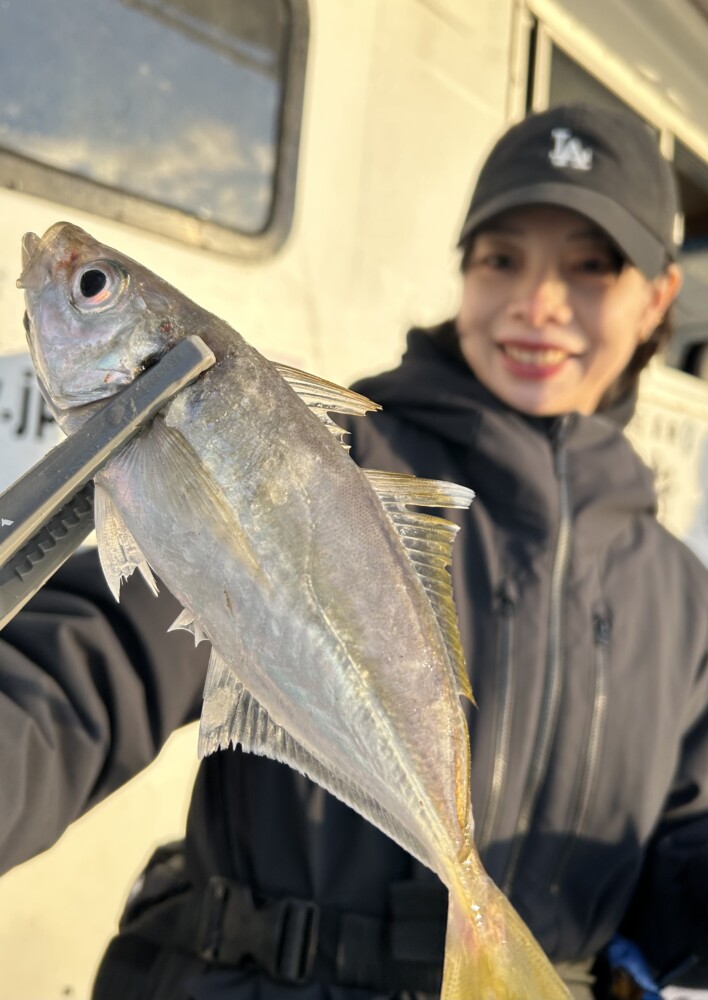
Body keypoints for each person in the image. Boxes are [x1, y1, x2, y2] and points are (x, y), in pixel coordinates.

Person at [1, 103, 707, 1000]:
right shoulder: (326, 453)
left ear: (657, 299)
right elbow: (85, 661)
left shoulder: (683, 600)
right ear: (463, 271)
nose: (538, 303)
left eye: (591, 267)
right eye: (502, 259)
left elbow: (683, 849)